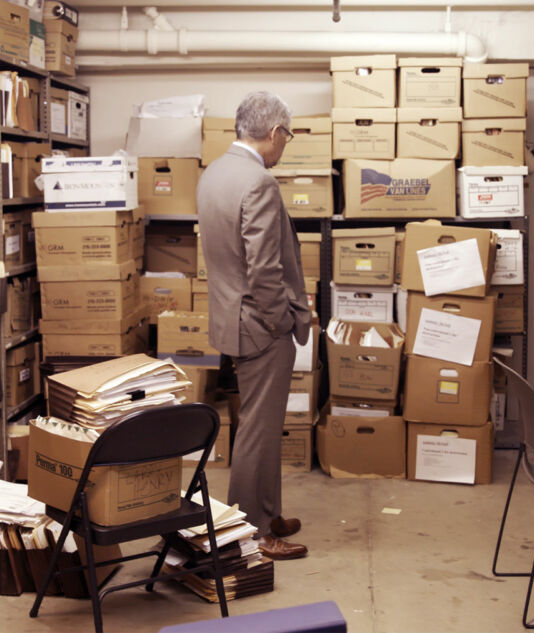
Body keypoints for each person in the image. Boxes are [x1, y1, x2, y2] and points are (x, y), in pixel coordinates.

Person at [196, 91, 311, 561]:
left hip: (232, 318)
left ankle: (268, 512)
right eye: (287, 134)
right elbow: (264, 270)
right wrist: (283, 319)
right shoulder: (259, 181)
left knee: (261, 424)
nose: (286, 144)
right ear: (273, 133)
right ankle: (251, 532)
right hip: (261, 326)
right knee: (258, 432)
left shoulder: (215, 173)